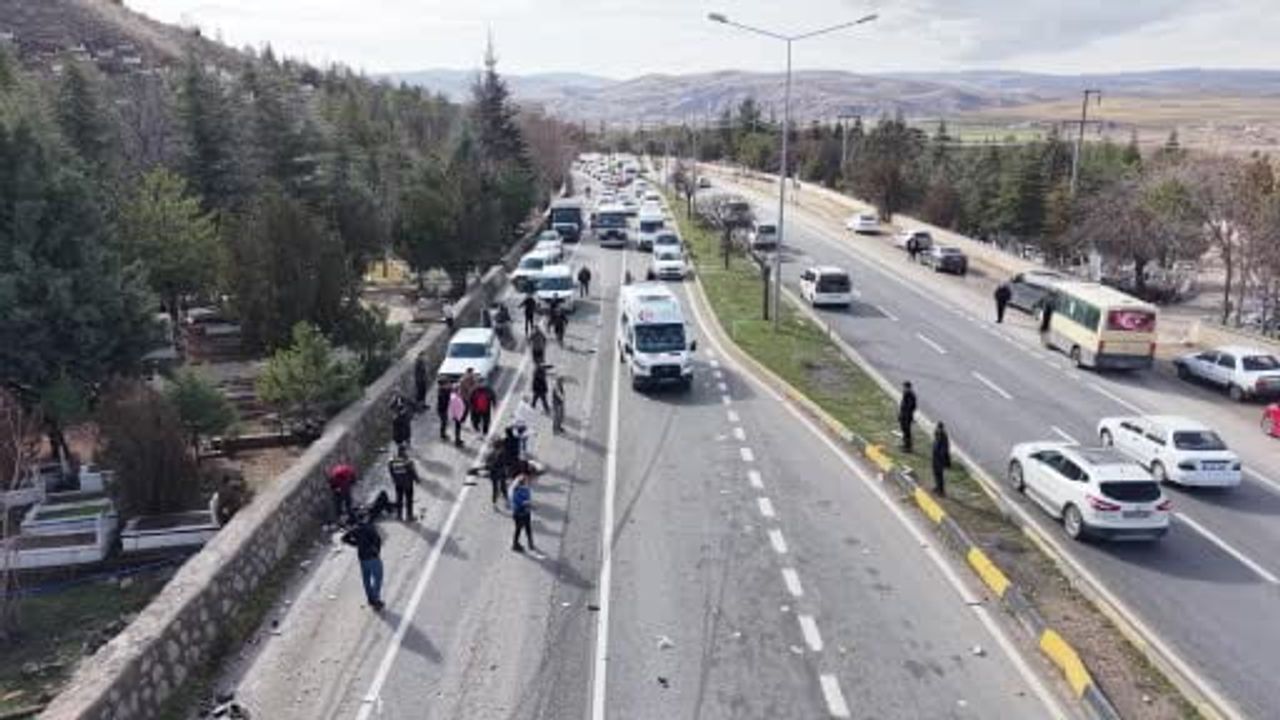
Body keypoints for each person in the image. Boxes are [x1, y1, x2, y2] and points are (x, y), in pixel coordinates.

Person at [341, 511, 384, 610]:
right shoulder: (370, 527)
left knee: (366, 579)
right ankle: (376, 599)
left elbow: (344, 538)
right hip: (373, 557)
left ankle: (370, 599)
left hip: (362, 558)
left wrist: (356, 544)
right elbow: (378, 540)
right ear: (365, 518)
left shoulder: (356, 529)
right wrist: (376, 551)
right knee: (377, 579)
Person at [388, 445, 419, 522]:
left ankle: (399, 516)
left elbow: (391, 470)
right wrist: (417, 480)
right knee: (409, 500)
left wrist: (394, 478)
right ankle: (409, 516)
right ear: (403, 451)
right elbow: (412, 472)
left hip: (398, 483)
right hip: (407, 484)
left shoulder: (392, 460)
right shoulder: (407, 461)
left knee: (399, 499)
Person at [510, 474, 535, 553]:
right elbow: (521, 502)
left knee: (520, 529)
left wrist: (528, 504)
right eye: (526, 482)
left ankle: (517, 543)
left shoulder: (517, 490)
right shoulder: (521, 491)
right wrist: (527, 503)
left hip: (519, 513)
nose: (527, 483)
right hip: (522, 513)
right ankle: (528, 543)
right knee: (525, 528)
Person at [932, 422, 951, 497]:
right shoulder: (937, 433)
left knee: (940, 475)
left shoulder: (944, 437)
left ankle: (941, 491)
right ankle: (937, 486)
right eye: (938, 428)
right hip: (935, 457)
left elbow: (944, 450)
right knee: (935, 473)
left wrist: (943, 460)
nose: (938, 429)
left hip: (940, 459)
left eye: (940, 428)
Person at [898, 381, 917, 453]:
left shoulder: (911, 395)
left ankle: (908, 447)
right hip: (903, 415)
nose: (903, 388)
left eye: (904, 387)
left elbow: (911, 407)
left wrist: (906, 415)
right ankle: (905, 444)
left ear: (908, 387)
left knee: (907, 431)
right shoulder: (906, 394)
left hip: (907, 417)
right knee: (904, 430)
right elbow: (903, 406)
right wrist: (900, 415)